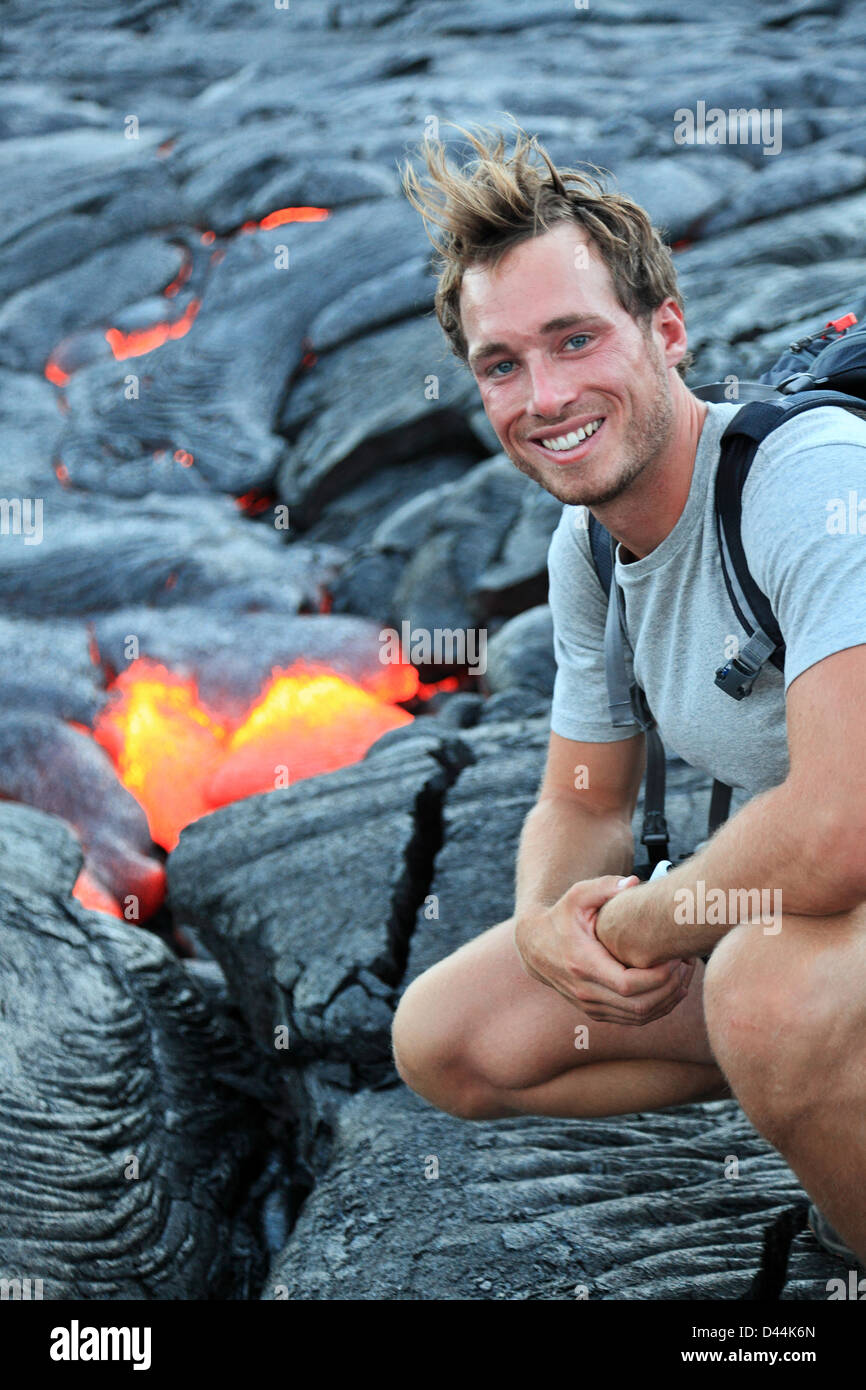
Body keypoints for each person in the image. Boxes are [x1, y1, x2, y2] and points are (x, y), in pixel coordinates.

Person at [390, 121, 866, 1267]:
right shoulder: (589, 547)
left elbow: (841, 825)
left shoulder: (805, 482)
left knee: (762, 989)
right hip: (824, 915)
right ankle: (814, 1085)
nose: (543, 396)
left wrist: (649, 919)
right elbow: (584, 799)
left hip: (835, 882)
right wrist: (559, 928)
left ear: (664, 331)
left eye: (574, 340)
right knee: (448, 1037)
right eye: (501, 364)